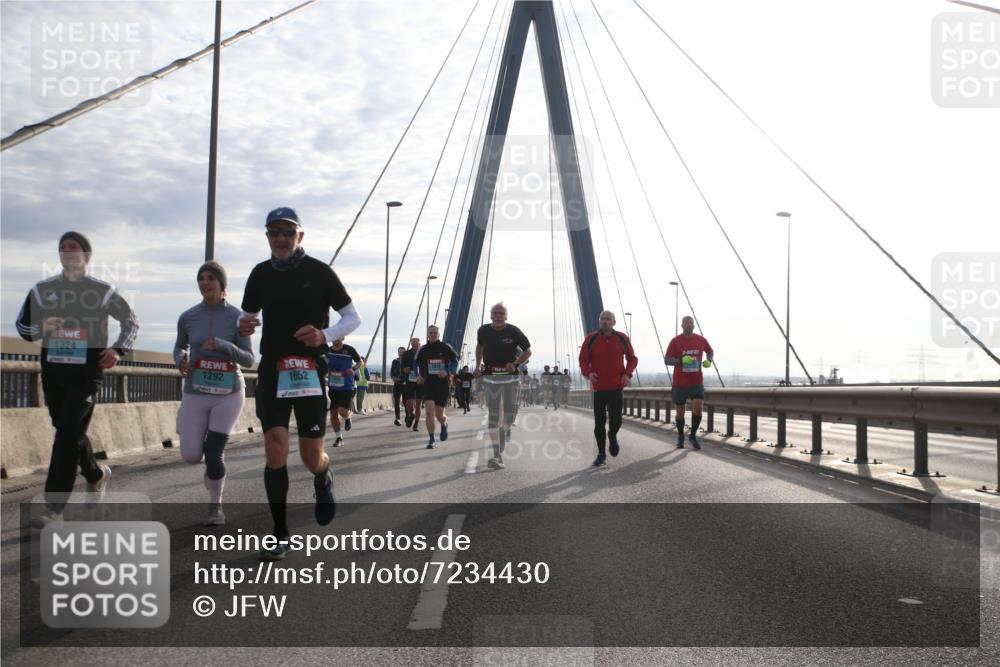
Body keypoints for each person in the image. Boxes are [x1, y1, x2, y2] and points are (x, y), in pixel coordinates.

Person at [239, 207, 360, 560]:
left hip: (309, 371)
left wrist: (324, 334)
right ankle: (279, 532)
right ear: (267, 237)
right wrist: (244, 329)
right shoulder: (260, 274)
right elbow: (247, 319)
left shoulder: (320, 272)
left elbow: (352, 317)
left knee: (310, 456)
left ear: (300, 236)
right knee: (275, 445)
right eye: (273, 232)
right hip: (274, 371)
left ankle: (323, 476)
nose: (280, 238)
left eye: (287, 232)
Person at [17, 231, 139, 525]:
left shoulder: (101, 290)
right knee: (67, 430)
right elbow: (23, 325)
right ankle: (95, 474)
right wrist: (42, 326)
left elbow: (130, 320)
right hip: (54, 371)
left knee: (67, 432)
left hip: (87, 373)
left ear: (86, 255)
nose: (68, 251)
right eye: (63, 247)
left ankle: (52, 508)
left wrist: (118, 349)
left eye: (74, 247)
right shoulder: (42, 290)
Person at [174, 261, 254, 525]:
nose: (205, 283)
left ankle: (215, 506)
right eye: (201, 278)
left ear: (222, 284)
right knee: (191, 455)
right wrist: (180, 359)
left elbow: (249, 359)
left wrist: (223, 345)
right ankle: (210, 468)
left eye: (211, 278)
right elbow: (178, 348)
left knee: (214, 452)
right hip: (196, 389)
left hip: (228, 392)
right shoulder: (187, 317)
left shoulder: (239, 318)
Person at [475, 303, 531, 470]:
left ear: (506, 316)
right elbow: (480, 346)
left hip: (511, 379)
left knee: (510, 416)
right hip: (491, 378)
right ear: (491, 315)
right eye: (495, 313)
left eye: (501, 313)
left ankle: (503, 431)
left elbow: (528, 351)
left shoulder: (514, 331)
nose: (498, 316)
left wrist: (515, 363)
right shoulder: (483, 330)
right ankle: (496, 455)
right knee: (493, 415)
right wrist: (478, 366)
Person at [579, 311, 638, 467]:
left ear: (614, 322)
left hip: (616, 387)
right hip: (598, 388)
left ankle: (612, 436)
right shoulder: (590, 339)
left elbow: (632, 359)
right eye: (602, 319)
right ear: (599, 322)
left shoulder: (622, 338)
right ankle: (601, 454)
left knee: (616, 420)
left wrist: (627, 374)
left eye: (607, 319)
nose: (604, 321)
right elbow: (583, 360)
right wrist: (588, 373)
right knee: (599, 423)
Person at [664, 315, 714, 450]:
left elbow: (710, 351)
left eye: (690, 323)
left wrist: (709, 361)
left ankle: (692, 435)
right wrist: (680, 361)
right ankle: (680, 435)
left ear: (693, 325)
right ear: (682, 325)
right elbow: (667, 360)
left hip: (696, 381)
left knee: (698, 406)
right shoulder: (675, 341)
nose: (688, 325)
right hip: (680, 382)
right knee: (680, 413)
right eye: (686, 323)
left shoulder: (701, 340)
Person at [414, 325, 458, 449]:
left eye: (435, 333)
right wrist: (418, 376)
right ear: (427, 334)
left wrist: (446, 370)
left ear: (439, 334)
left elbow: (455, 361)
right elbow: (414, 363)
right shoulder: (422, 349)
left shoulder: (445, 347)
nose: (433, 334)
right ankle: (432, 439)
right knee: (429, 410)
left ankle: (444, 424)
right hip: (428, 383)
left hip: (442, 384)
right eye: (430, 333)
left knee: (439, 415)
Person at [327, 338, 361, 446]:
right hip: (333, 386)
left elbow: (360, 362)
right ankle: (339, 438)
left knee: (342, 411)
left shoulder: (349, 349)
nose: (334, 339)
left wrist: (353, 368)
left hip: (347, 386)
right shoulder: (328, 350)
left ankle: (347, 418)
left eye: (337, 336)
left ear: (342, 338)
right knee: (333, 413)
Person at [401, 337, 422, 431]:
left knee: (418, 404)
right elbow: (403, 367)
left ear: (419, 344)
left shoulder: (423, 353)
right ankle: (411, 415)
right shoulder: (406, 354)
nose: (414, 346)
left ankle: (416, 424)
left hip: (420, 382)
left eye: (416, 345)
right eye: (413, 344)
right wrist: (405, 369)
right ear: (410, 344)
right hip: (410, 381)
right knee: (409, 403)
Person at [390, 346, 406, 425]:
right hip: (397, 384)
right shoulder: (395, 361)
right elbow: (392, 373)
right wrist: (394, 378)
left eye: (402, 353)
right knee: (396, 402)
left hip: (405, 385)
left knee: (406, 402)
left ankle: (407, 416)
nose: (401, 354)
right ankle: (398, 418)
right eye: (400, 352)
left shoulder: (407, 361)